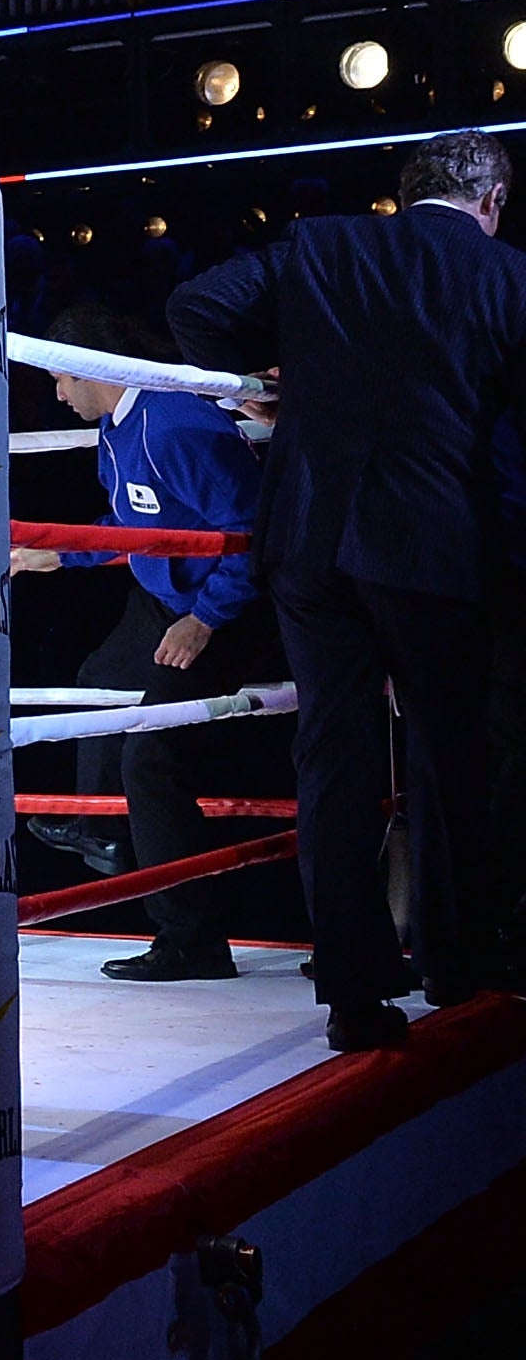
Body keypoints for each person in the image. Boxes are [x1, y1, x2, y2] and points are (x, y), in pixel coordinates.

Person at [170, 129, 526, 1049]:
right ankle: (454, 961)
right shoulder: (504, 274)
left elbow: (197, 305)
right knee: (450, 756)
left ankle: (353, 995)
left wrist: (252, 394)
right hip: (431, 546)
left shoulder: (327, 245)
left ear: (407, 194)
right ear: (490, 201)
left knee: (334, 756)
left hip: (307, 536)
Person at [10, 305, 280, 982]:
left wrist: (206, 621)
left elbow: (253, 532)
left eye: (59, 379)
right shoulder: (118, 423)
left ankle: (191, 938)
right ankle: (100, 830)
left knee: (152, 758)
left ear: (87, 369)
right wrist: (62, 554)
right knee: (100, 679)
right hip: (165, 596)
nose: (58, 394)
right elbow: (133, 517)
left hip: (226, 606)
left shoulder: (178, 425)